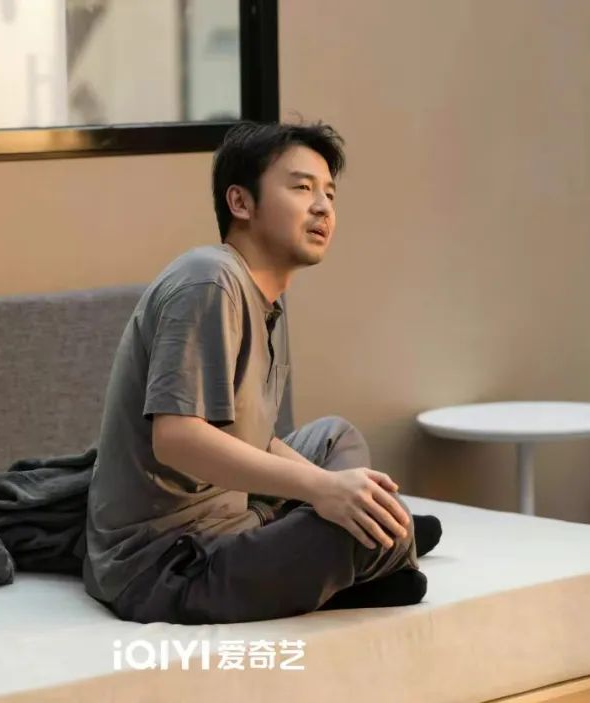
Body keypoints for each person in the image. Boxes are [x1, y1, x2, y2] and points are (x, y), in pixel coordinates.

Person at [83, 121, 441, 624]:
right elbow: (176, 439)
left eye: (329, 194)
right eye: (302, 188)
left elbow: (250, 438)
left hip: (234, 517)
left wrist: (335, 487)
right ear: (241, 202)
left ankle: (366, 532)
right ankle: (368, 543)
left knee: (335, 438)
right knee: (354, 527)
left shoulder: (263, 299)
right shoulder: (209, 281)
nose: (322, 207)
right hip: (168, 563)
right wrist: (321, 490)